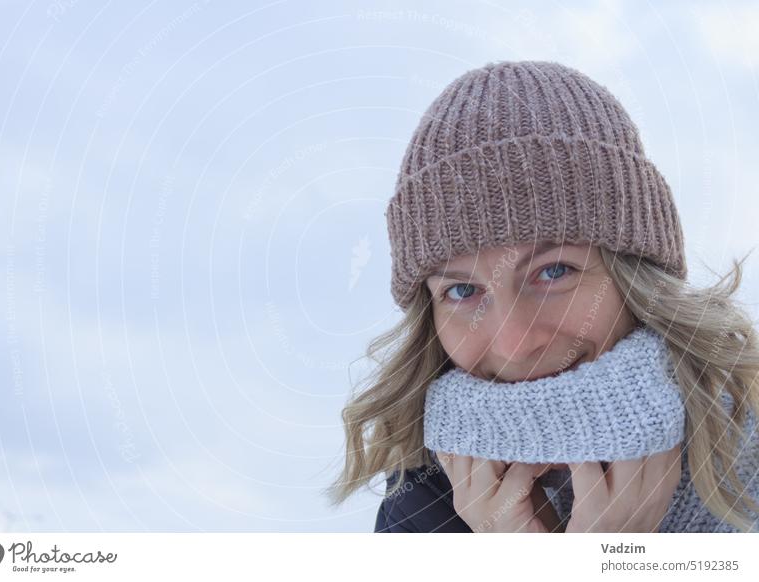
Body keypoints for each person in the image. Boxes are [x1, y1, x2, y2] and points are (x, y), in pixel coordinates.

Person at [325, 60, 759, 532]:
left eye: (553, 272)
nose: (514, 342)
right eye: (462, 290)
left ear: (638, 281)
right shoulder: (422, 503)